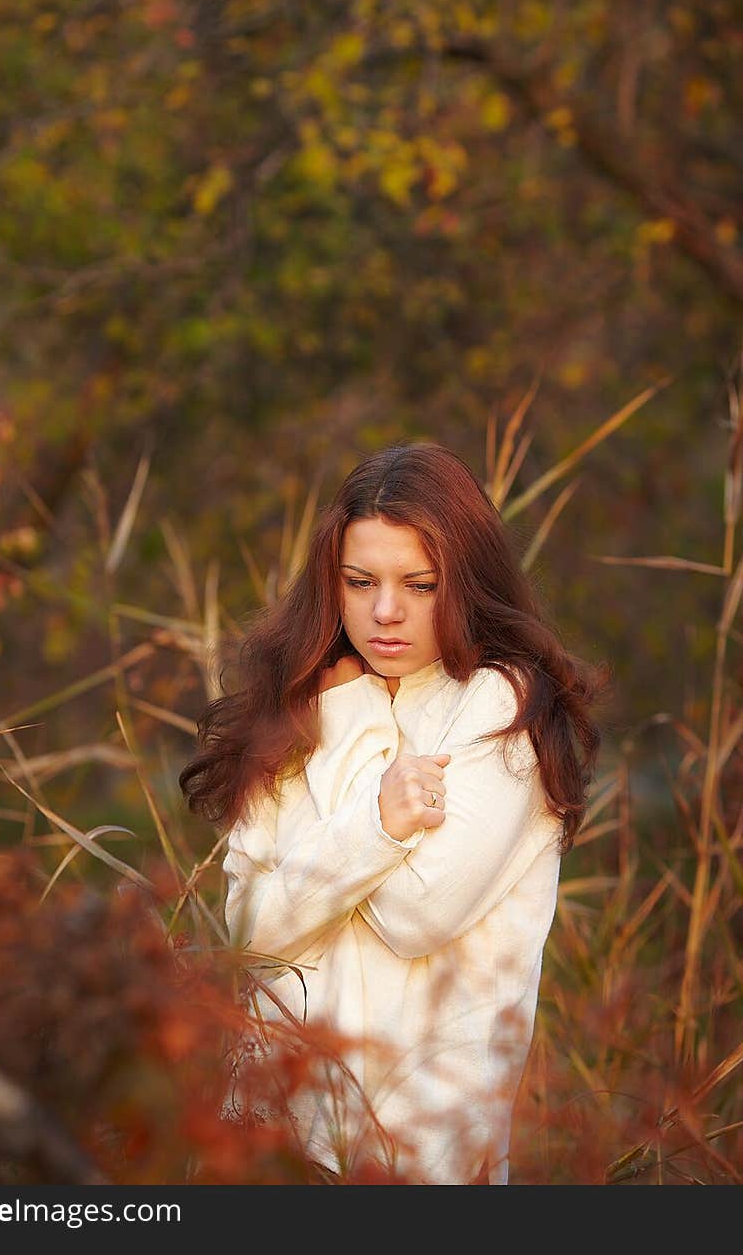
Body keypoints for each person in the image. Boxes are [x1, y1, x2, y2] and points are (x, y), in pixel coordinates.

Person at [180, 441, 608, 1184]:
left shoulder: (502, 707)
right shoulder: (295, 711)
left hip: (424, 1155)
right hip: (275, 1141)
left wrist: (350, 743)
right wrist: (372, 795)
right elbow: (250, 933)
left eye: (420, 585)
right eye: (360, 581)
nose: (385, 612)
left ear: (466, 582)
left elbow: (415, 916)